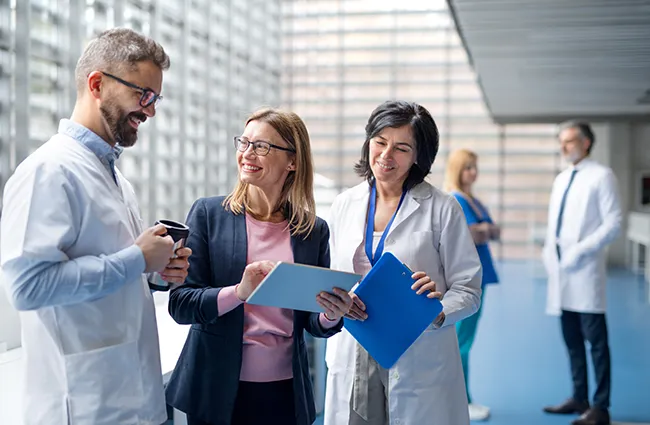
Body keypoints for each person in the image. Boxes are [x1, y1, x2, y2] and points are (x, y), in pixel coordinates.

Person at [0, 28, 191, 425]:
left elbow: (112, 274)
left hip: (134, 402)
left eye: (155, 98)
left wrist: (155, 272)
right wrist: (136, 260)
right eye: (144, 95)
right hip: (83, 407)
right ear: (97, 84)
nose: (151, 110)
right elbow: (27, 287)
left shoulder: (119, 181)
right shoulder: (47, 172)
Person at [164, 108, 354, 425]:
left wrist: (330, 313)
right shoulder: (209, 215)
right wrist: (239, 292)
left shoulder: (313, 231)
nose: (248, 154)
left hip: (285, 393)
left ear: (292, 161)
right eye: (245, 143)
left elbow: (312, 321)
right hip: (216, 389)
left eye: (262, 146)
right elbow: (181, 305)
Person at [323, 100, 483, 425]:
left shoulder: (442, 208)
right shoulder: (344, 204)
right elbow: (329, 275)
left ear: (418, 157)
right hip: (354, 344)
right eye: (380, 142)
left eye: (401, 148)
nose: (386, 155)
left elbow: (468, 289)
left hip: (416, 345)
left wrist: (438, 310)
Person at [542, 121, 621, 425]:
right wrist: (550, 252)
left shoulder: (602, 176)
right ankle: (579, 398)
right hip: (561, 275)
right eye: (561, 141)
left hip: (585, 271)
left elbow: (612, 224)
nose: (564, 147)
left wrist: (579, 251)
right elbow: (554, 224)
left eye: (570, 141)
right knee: (572, 341)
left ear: (586, 142)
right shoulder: (562, 179)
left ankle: (600, 407)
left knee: (596, 344)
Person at [443, 148, 500, 421]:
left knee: (465, 340)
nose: (473, 173)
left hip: (480, 277)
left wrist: (483, 231)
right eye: (468, 168)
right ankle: (461, 399)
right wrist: (483, 231)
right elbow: (466, 234)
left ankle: (462, 396)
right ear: (457, 169)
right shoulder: (455, 199)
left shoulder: (472, 200)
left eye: (475, 167)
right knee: (462, 342)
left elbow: (491, 231)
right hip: (468, 279)